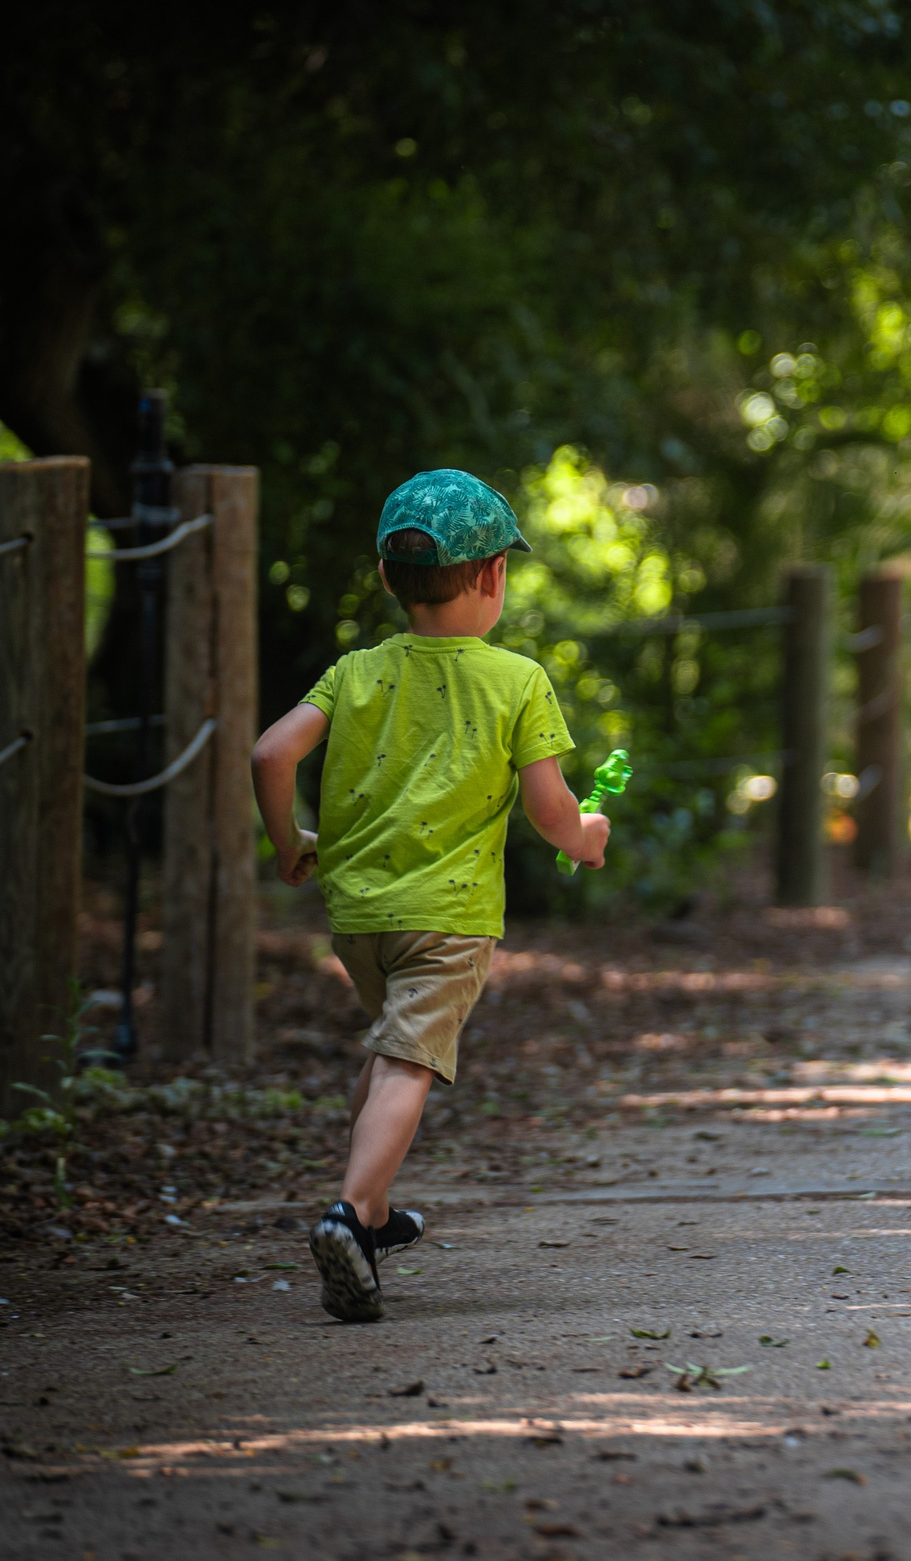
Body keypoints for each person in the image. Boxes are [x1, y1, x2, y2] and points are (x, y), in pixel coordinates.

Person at [250, 469, 610, 1323]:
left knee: (389, 1051)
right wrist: (586, 837)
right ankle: (348, 1212)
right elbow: (551, 810)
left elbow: (270, 754)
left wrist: (291, 844)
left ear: (387, 575)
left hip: (359, 916)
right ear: (494, 573)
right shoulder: (517, 680)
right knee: (411, 1060)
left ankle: (372, 1219)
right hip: (448, 919)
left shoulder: (355, 672)